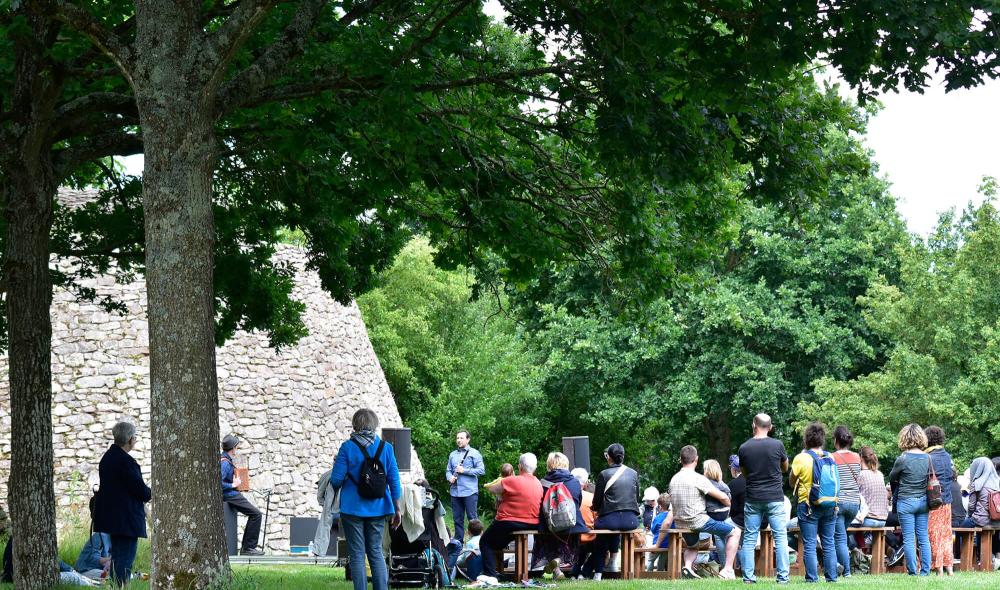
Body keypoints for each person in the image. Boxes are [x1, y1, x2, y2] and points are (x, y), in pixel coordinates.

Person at [330, 408, 403, 590]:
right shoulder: (386, 448)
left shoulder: (347, 447)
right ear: (374, 425)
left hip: (352, 508)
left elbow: (336, 480)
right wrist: (397, 509)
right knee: (376, 552)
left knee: (356, 554)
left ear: (355, 425)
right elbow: (394, 481)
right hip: (378, 508)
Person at [93, 420, 152, 586]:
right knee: (124, 559)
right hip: (126, 520)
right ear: (130, 439)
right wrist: (150, 493)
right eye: (135, 438)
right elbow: (140, 490)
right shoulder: (125, 462)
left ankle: (114, 587)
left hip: (112, 518)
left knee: (117, 558)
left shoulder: (107, 458)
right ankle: (121, 587)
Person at [667, 445, 737, 580]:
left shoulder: (674, 479)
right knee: (734, 532)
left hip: (680, 522)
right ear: (696, 459)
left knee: (693, 546)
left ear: (681, 460)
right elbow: (722, 496)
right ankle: (727, 569)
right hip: (698, 521)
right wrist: (729, 504)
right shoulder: (697, 478)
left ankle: (687, 567)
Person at [737, 413, 790, 584]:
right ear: (771, 427)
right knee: (780, 537)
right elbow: (785, 467)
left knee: (750, 537)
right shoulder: (777, 445)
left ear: (754, 425)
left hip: (753, 497)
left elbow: (744, 473)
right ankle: (782, 578)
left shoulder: (744, 448)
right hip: (774, 497)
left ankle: (748, 578)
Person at [478, 453, 544, 585]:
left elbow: (491, 489)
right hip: (532, 523)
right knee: (498, 543)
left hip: (509, 521)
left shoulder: (512, 480)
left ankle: (491, 575)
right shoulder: (538, 483)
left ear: (519, 466)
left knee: (485, 542)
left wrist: (500, 481)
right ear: (535, 468)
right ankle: (503, 572)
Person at [582, 443, 641, 581]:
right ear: (623, 456)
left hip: (610, 519)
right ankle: (613, 561)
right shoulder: (633, 473)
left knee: (601, 538)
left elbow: (596, 502)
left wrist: (596, 509)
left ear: (608, 457)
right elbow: (636, 497)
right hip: (630, 520)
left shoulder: (604, 474)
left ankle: (597, 573)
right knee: (614, 529)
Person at [790, 422, 838, 583]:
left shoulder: (801, 458)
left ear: (806, 440)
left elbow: (791, 481)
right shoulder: (830, 456)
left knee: (809, 543)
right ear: (822, 440)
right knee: (829, 542)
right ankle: (832, 578)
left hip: (808, 505)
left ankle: (812, 578)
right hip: (830, 504)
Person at [533, 452, 589, 579]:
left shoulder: (542, 483)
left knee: (544, 538)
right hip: (572, 526)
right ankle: (559, 560)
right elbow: (578, 503)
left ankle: (557, 570)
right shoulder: (574, 482)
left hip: (549, 526)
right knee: (572, 537)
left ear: (549, 464)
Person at [888, 423, 932, 576]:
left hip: (906, 502)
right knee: (923, 537)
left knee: (908, 538)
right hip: (923, 502)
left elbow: (892, 477)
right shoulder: (928, 458)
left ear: (905, 438)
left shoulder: (903, 458)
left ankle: (913, 571)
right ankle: (925, 571)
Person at [220, 434, 264, 555]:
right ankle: (248, 548)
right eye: (237, 447)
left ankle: (247, 548)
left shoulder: (225, 460)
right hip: (230, 495)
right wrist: (233, 485)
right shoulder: (224, 463)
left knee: (255, 514)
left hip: (231, 494)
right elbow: (218, 483)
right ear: (233, 448)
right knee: (256, 514)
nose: (237, 449)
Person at [831, 425, 862, 577]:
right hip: (854, 503)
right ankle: (839, 567)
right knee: (841, 534)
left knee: (840, 537)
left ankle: (846, 571)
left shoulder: (832, 457)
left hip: (839, 502)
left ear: (836, 440)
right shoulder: (857, 457)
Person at [925, 426, 955, 575]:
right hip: (947, 502)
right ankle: (949, 568)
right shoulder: (947, 455)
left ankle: (938, 568)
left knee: (934, 534)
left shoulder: (928, 457)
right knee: (946, 534)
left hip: (934, 502)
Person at [959, 457, 1000, 567]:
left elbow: (971, 506)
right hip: (996, 521)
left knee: (960, 529)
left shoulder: (977, 483)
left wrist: (971, 516)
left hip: (981, 519)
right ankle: (989, 558)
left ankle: (963, 559)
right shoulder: (997, 482)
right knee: (985, 531)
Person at [446, 430, 485, 542]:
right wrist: (449, 477)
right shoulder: (452, 454)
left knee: (472, 519)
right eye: (457, 438)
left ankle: (476, 543)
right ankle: (458, 543)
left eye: (461, 438)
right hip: (455, 491)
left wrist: (464, 470)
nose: (459, 440)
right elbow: (448, 470)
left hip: (469, 491)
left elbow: (481, 470)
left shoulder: (474, 453)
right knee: (457, 519)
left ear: (468, 439)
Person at [570, 468, 597, 579]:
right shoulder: (591, 498)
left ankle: (575, 572)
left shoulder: (566, 496)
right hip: (589, 536)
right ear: (585, 483)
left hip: (570, 537)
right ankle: (584, 572)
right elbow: (597, 519)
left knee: (581, 550)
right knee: (601, 548)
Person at [728, 455, 747, 531]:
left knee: (718, 530)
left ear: (734, 470)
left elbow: (733, 509)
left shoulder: (733, 483)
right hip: (760, 520)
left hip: (743, 520)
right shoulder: (753, 480)